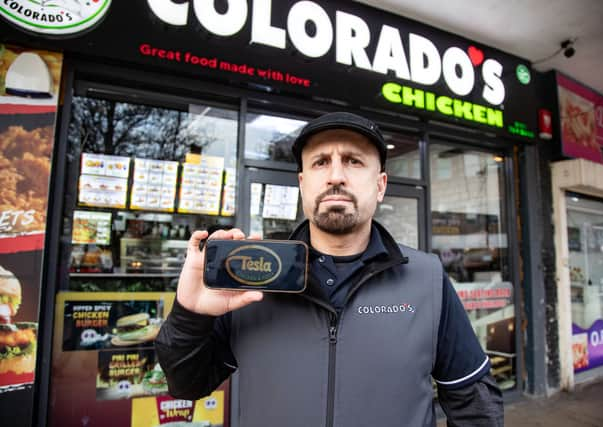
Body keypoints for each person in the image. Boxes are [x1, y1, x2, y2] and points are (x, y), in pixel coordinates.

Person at [155, 112, 504, 426]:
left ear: (380, 185)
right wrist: (190, 316)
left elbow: (475, 406)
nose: (336, 176)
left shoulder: (426, 278)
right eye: (321, 162)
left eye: (353, 161)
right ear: (303, 183)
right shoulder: (251, 282)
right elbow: (187, 385)